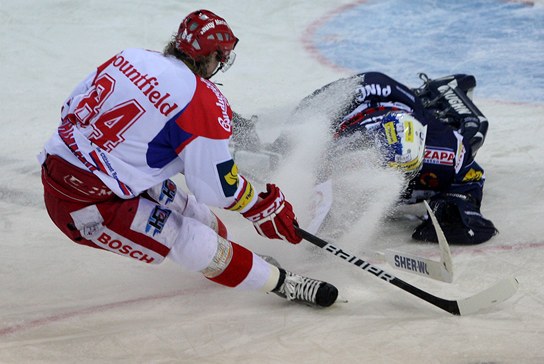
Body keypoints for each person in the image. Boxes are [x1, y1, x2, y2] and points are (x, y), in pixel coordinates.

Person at [38, 9, 338, 308]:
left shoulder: (130, 56)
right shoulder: (201, 100)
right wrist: (260, 206)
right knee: (193, 239)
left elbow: (71, 108)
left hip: (75, 166)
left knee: (201, 218)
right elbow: (217, 188)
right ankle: (283, 284)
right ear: (214, 58)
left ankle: (240, 264)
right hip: (83, 205)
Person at [232, 71, 498, 245]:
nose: (397, 179)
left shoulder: (446, 153)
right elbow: (316, 195)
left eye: (405, 171)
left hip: (401, 104)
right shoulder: (346, 150)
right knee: (281, 155)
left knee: (474, 131)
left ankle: (431, 98)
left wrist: (455, 204)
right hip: (364, 93)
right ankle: (232, 129)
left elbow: (471, 175)